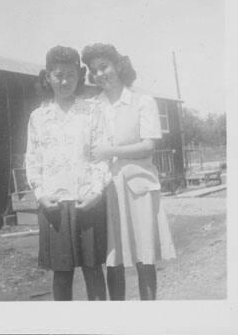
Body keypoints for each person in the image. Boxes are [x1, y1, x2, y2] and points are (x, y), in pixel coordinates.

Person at [81, 43, 176, 300]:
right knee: (114, 257)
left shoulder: (142, 101)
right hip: (106, 189)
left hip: (138, 187)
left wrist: (110, 150)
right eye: (94, 69)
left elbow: (148, 146)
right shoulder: (92, 107)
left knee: (145, 255)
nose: (100, 74)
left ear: (118, 66)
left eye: (105, 66)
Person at [25, 46, 111, 301]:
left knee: (93, 271)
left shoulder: (91, 112)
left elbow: (102, 156)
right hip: (54, 205)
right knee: (62, 275)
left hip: (88, 202)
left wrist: (96, 192)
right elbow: (32, 160)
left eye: (71, 75)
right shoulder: (38, 117)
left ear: (79, 76)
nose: (64, 81)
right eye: (58, 74)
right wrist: (40, 195)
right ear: (48, 77)